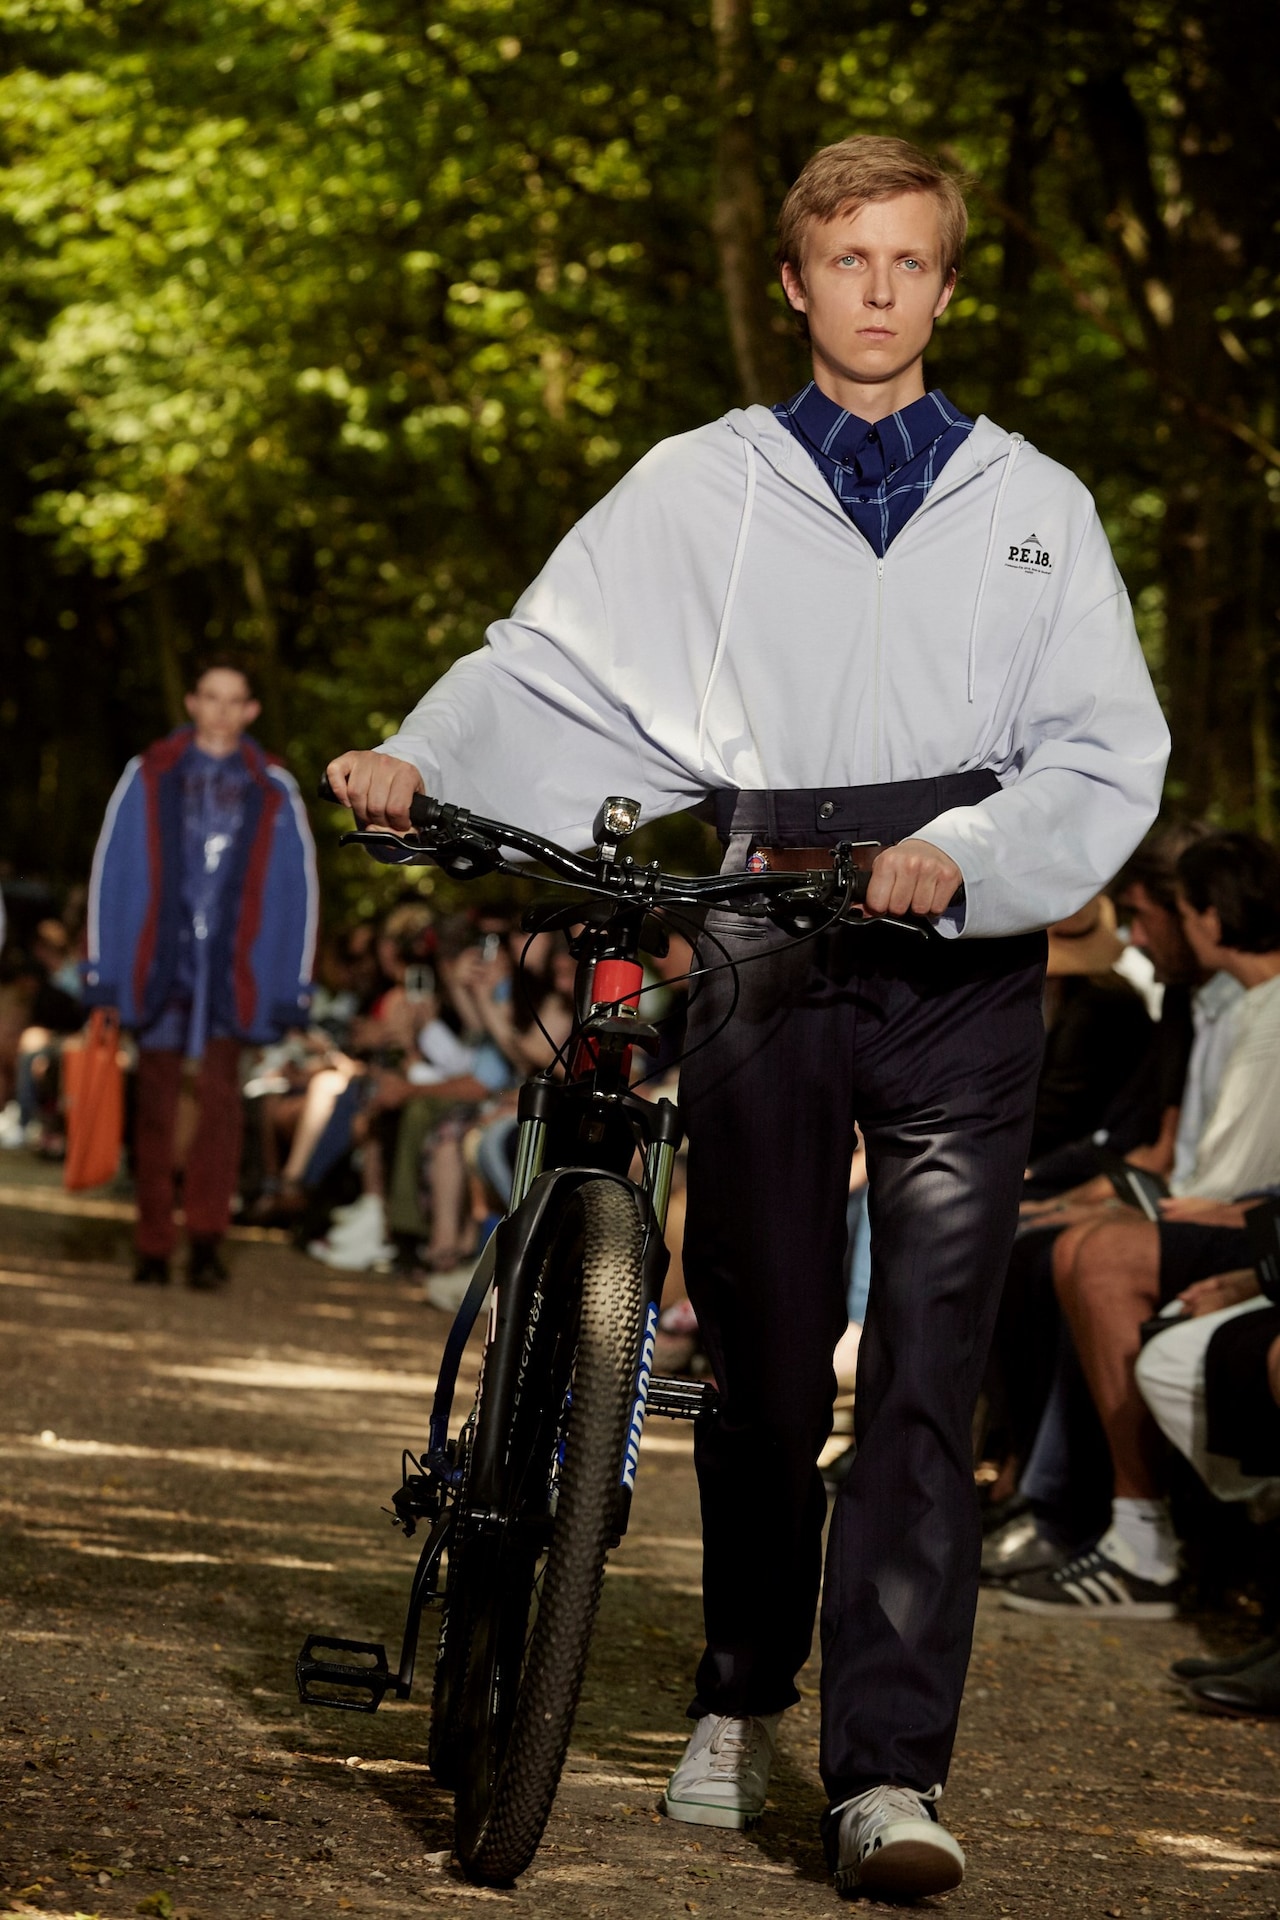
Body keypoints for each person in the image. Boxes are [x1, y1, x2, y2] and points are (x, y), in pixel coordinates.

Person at [325, 136, 1168, 1898]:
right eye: (848, 258)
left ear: (948, 285)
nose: (879, 289)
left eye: (910, 260)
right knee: (774, 1360)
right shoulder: (701, 483)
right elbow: (551, 664)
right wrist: (422, 754)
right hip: (764, 932)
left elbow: (1104, 748)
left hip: (959, 953)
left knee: (926, 1368)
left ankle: (888, 1773)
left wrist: (969, 852)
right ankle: (737, 1687)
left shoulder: (1034, 503)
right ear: (794, 282)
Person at [1003, 832, 1280, 1618]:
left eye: (1168, 915)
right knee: (1057, 1249)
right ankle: (1066, 1506)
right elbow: (1169, 1149)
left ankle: (1129, 1535)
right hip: (1216, 1208)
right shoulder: (1215, 1006)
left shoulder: (1256, 1008)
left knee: (1093, 1257)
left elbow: (1218, 1175)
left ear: (1209, 917)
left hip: (1240, 1217)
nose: (1143, 936)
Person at [86, 660, 317, 1287]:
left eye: (233, 700)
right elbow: (111, 872)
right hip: (160, 963)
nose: (220, 710)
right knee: (155, 1106)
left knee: (220, 1107)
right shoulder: (149, 772)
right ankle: (154, 1244)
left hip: (232, 971)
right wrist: (103, 971)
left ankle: (208, 1242)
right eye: (210, 697)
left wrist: (292, 986)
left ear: (250, 711)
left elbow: (298, 889)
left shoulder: (274, 787)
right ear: (192, 702)